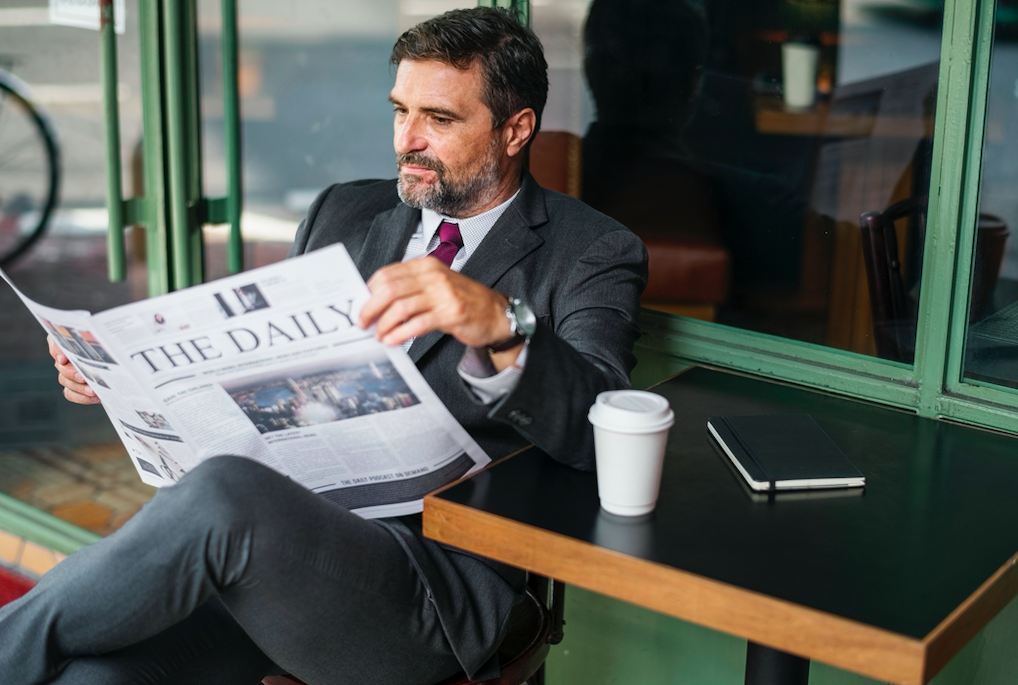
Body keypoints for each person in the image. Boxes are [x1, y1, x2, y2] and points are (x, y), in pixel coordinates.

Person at [0, 8, 646, 685]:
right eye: (400, 110)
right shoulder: (344, 210)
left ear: (515, 130)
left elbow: (603, 429)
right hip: (274, 556)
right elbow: (248, 370)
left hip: (428, 594)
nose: (408, 139)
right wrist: (119, 377)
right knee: (98, 678)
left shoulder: (589, 249)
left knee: (223, 492)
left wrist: (504, 329)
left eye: (440, 119)